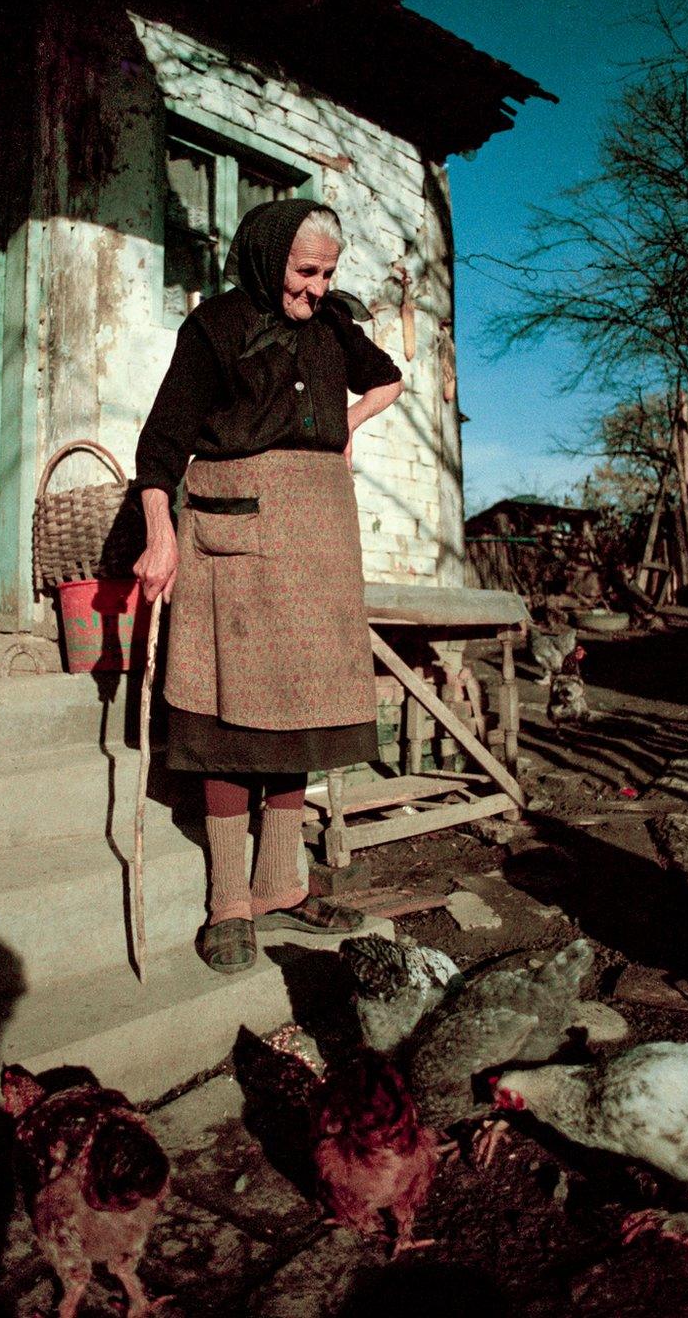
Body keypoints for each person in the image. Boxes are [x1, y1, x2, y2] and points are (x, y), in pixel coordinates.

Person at [132, 199, 404, 973]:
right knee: (228, 718)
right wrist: (160, 534)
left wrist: (347, 423)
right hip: (234, 534)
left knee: (301, 715)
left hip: (316, 537)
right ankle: (228, 900)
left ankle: (281, 884)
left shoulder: (332, 327)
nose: (316, 288)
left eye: (328, 274)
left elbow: (387, 380)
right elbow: (159, 448)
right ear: (266, 257)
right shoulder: (213, 328)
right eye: (305, 271)